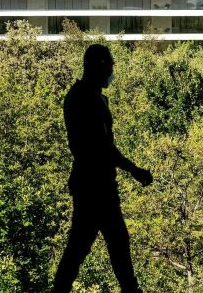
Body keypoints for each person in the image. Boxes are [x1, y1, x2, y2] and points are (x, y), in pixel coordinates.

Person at [53, 44, 152, 293]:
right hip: (96, 185)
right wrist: (135, 170)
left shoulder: (82, 96)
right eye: (109, 64)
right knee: (108, 243)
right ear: (99, 65)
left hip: (92, 182)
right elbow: (103, 147)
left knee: (86, 244)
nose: (112, 70)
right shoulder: (88, 99)